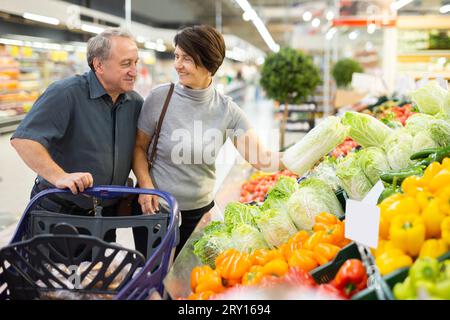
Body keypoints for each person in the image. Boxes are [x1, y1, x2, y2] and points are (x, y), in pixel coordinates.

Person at [133, 25, 285, 257]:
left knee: (188, 287)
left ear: (208, 63)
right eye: (176, 56)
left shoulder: (227, 111)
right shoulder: (160, 98)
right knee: (153, 285)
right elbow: (139, 148)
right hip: (155, 209)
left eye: (187, 58)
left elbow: (262, 160)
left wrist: (310, 154)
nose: (177, 65)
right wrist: (146, 187)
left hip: (199, 216)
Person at [10, 28, 143, 243]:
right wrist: (60, 176)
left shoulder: (135, 103)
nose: (134, 71)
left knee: (95, 276)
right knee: (55, 276)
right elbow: (24, 140)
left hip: (104, 218)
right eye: (126, 64)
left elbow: (139, 149)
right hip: (59, 216)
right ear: (99, 65)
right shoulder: (66, 93)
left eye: (136, 62)